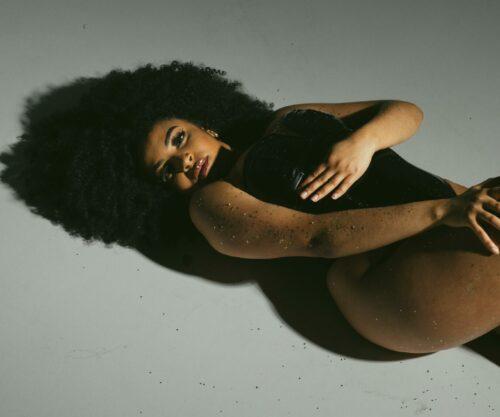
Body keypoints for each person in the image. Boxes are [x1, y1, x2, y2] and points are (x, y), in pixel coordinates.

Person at [2, 60, 498, 354]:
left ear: (204, 124)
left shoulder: (289, 118)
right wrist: (441, 212)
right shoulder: (213, 204)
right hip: (387, 284)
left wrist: (362, 142)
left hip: (445, 227)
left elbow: (405, 111)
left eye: (179, 139)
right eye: (167, 171)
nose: (183, 162)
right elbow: (316, 238)